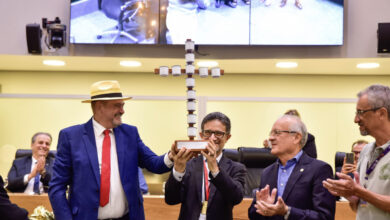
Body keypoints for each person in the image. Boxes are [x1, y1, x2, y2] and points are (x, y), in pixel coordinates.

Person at [48, 80, 173, 220]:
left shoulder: (130, 133)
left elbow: (154, 163)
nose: (122, 110)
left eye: (122, 105)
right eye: (117, 106)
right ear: (100, 106)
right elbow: (57, 188)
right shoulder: (71, 137)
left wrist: (172, 156)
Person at [248, 114, 335, 220]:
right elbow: (253, 215)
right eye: (270, 133)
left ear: (296, 137)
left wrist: (287, 212)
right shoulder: (267, 172)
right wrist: (262, 207)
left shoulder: (319, 170)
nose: (270, 138)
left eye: (277, 133)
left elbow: (325, 217)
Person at [323, 84, 390, 220]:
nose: (356, 120)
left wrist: (358, 191)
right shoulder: (365, 150)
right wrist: (351, 196)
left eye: (361, 112)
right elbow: (358, 207)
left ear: (381, 113)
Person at [165, 112, 246, 220]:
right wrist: (178, 170)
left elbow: (236, 198)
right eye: (207, 133)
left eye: (218, 133)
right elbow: (171, 199)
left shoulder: (236, 168)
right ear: (201, 135)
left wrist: (215, 169)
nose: (212, 138)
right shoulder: (188, 165)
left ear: (227, 137)